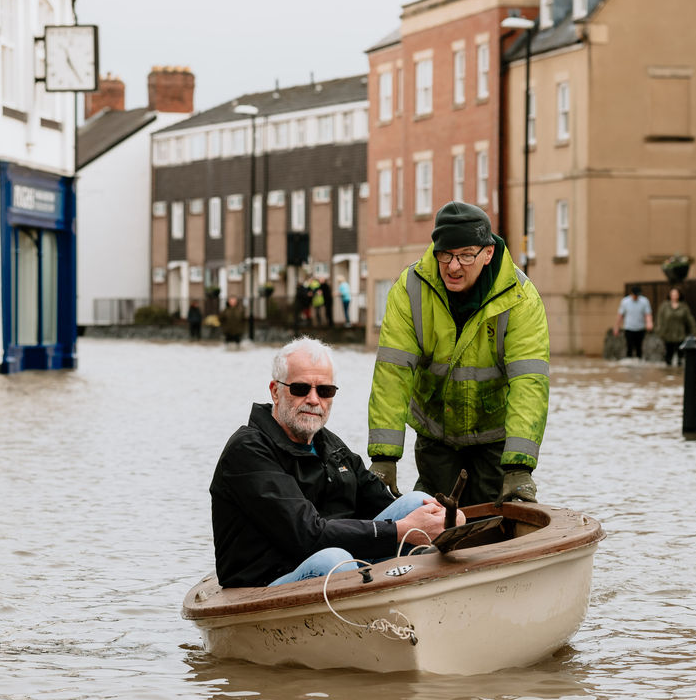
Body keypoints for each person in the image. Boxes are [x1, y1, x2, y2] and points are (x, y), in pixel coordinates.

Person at [210, 337, 459, 588]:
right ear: (276, 391)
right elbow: (308, 535)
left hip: (342, 562)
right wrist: (400, 530)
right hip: (266, 582)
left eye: (324, 391)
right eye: (300, 389)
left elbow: (382, 504)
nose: (313, 399)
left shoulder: (329, 445)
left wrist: (444, 519)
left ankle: (430, 595)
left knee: (417, 501)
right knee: (334, 560)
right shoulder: (248, 450)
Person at [367, 201, 550, 508]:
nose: (453, 266)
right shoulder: (410, 289)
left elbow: (529, 382)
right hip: (436, 432)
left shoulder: (520, 297)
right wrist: (384, 458)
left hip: (494, 435)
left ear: (488, 253)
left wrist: (519, 467)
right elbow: (392, 374)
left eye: (466, 255)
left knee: (492, 517)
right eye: (446, 254)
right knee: (432, 514)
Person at [656, 286, 696, 366]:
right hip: (667, 334)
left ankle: (679, 370)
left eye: (676, 294)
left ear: (679, 295)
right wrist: (659, 330)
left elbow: (690, 319)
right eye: (672, 294)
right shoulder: (664, 306)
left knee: (680, 355)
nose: (674, 296)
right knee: (668, 354)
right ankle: (668, 369)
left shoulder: (683, 306)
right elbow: (659, 319)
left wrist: (694, 332)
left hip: (680, 334)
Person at [614, 287, 653, 359]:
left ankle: (639, 361)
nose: (636, 297)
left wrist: (649, 323)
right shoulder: (625, 301)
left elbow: (648, 314)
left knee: (639, 347)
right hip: (629, 328)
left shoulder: (644, 301)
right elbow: (620, 315)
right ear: (631, 294)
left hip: (640, 328)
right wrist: (616, 327)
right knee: (629, 346)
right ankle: (629, 361)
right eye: (635, 295)